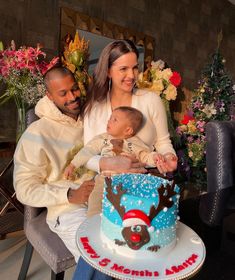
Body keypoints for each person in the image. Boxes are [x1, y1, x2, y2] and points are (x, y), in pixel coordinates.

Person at [13, 66, 144, 280]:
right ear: (49, 95)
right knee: (103, 258)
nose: (73, 97)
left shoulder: (92, 118)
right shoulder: (37, 133)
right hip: (67, 210)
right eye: (63, 93)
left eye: (74, 89)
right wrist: (68, 195)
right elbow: (24, 189)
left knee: (137, 247)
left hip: (106, 197)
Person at [82, 39, 178, 175]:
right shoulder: (93, 109)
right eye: (123, 69)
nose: (132, 75)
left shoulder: (151, 100)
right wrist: (110, 163)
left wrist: (168, 156)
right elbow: (87, 155)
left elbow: (163, 142)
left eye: (134, 67)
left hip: (144, 183)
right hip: (108, 185)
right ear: (108, 71)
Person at [64, 106, 164, 217]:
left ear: (128, 130)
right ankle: (92, 222)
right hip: (104, 179)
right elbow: (87, 151)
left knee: (129, 207)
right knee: (95, 200)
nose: (109, 121)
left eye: (114, 119)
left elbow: (145, 156)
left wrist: (155, 158)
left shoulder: (134, 143)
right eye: (110, 118)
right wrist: (73, 165)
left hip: (128, 181)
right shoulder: (102, 139)